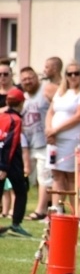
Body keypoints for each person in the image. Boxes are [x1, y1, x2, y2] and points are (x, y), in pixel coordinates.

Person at [44, 60, 80, 212]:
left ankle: (75, 212)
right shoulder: (60, 91)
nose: (73, 76)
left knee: (71, 176)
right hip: (55, 140)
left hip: (71, 140)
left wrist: (56, 130)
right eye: (69, 73)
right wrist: (49, 129)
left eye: (76, 73)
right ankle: (56, 210)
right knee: (57, 175)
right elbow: (51, 112)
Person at [19, 66, 52, 221]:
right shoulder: (22, 97)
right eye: (24, 79)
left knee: (44, 177)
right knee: (29, 178)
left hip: (44, 142)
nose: (28, 81)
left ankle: (40, 210)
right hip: (27, 144)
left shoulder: (45, 91)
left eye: (30, 77)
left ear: (36, 78)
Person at [0, 88, 31, 237]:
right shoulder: (16, 120)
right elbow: (10, 143)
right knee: (21, 190)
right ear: (21, 103)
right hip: (10, 161)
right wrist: (4, 166)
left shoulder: (1, 116)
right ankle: (16, 223)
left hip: (1, 158)